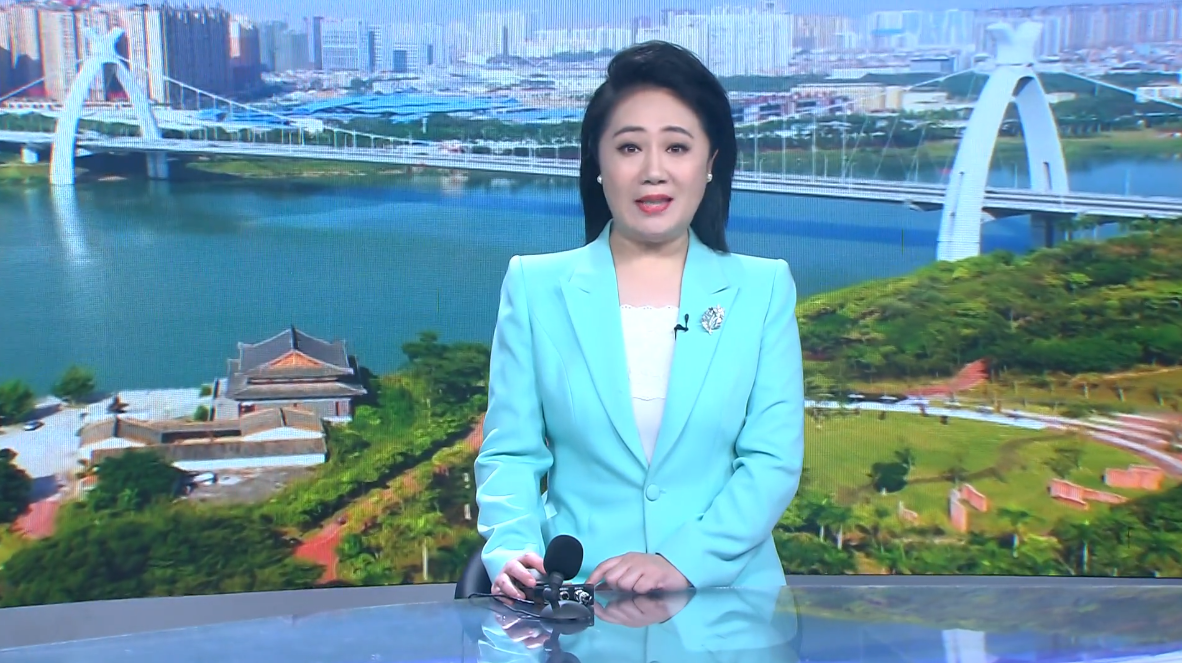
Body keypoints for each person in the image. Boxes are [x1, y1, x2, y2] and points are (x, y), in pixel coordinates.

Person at [474, 40, 805, 598]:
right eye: (629, 147)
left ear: (710, 164)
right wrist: (511, 548)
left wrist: (682, 562)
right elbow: (511, 452)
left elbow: (771, 461)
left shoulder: (763, 288)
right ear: (598, 164)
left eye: (677, 147)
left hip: (725, 603)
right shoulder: (534, 286)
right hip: (576, 597)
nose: (654, 171)